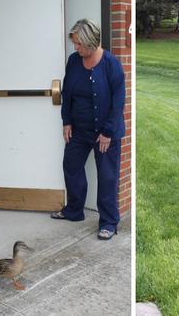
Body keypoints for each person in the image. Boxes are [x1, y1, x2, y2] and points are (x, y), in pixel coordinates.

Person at [50, 19, 126, 240]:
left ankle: (109, 222)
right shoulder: (74, 61)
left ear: (91, 42)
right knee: (71, 166)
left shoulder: (112, 64)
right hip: (80, 130)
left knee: (107, 177)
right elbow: (68, 94)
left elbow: (118, 102)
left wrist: (108, 132)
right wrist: (66, 121)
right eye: (74, 43)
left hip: (106, 133)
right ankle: (74, 210)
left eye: (79, 44)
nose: (76, 48)